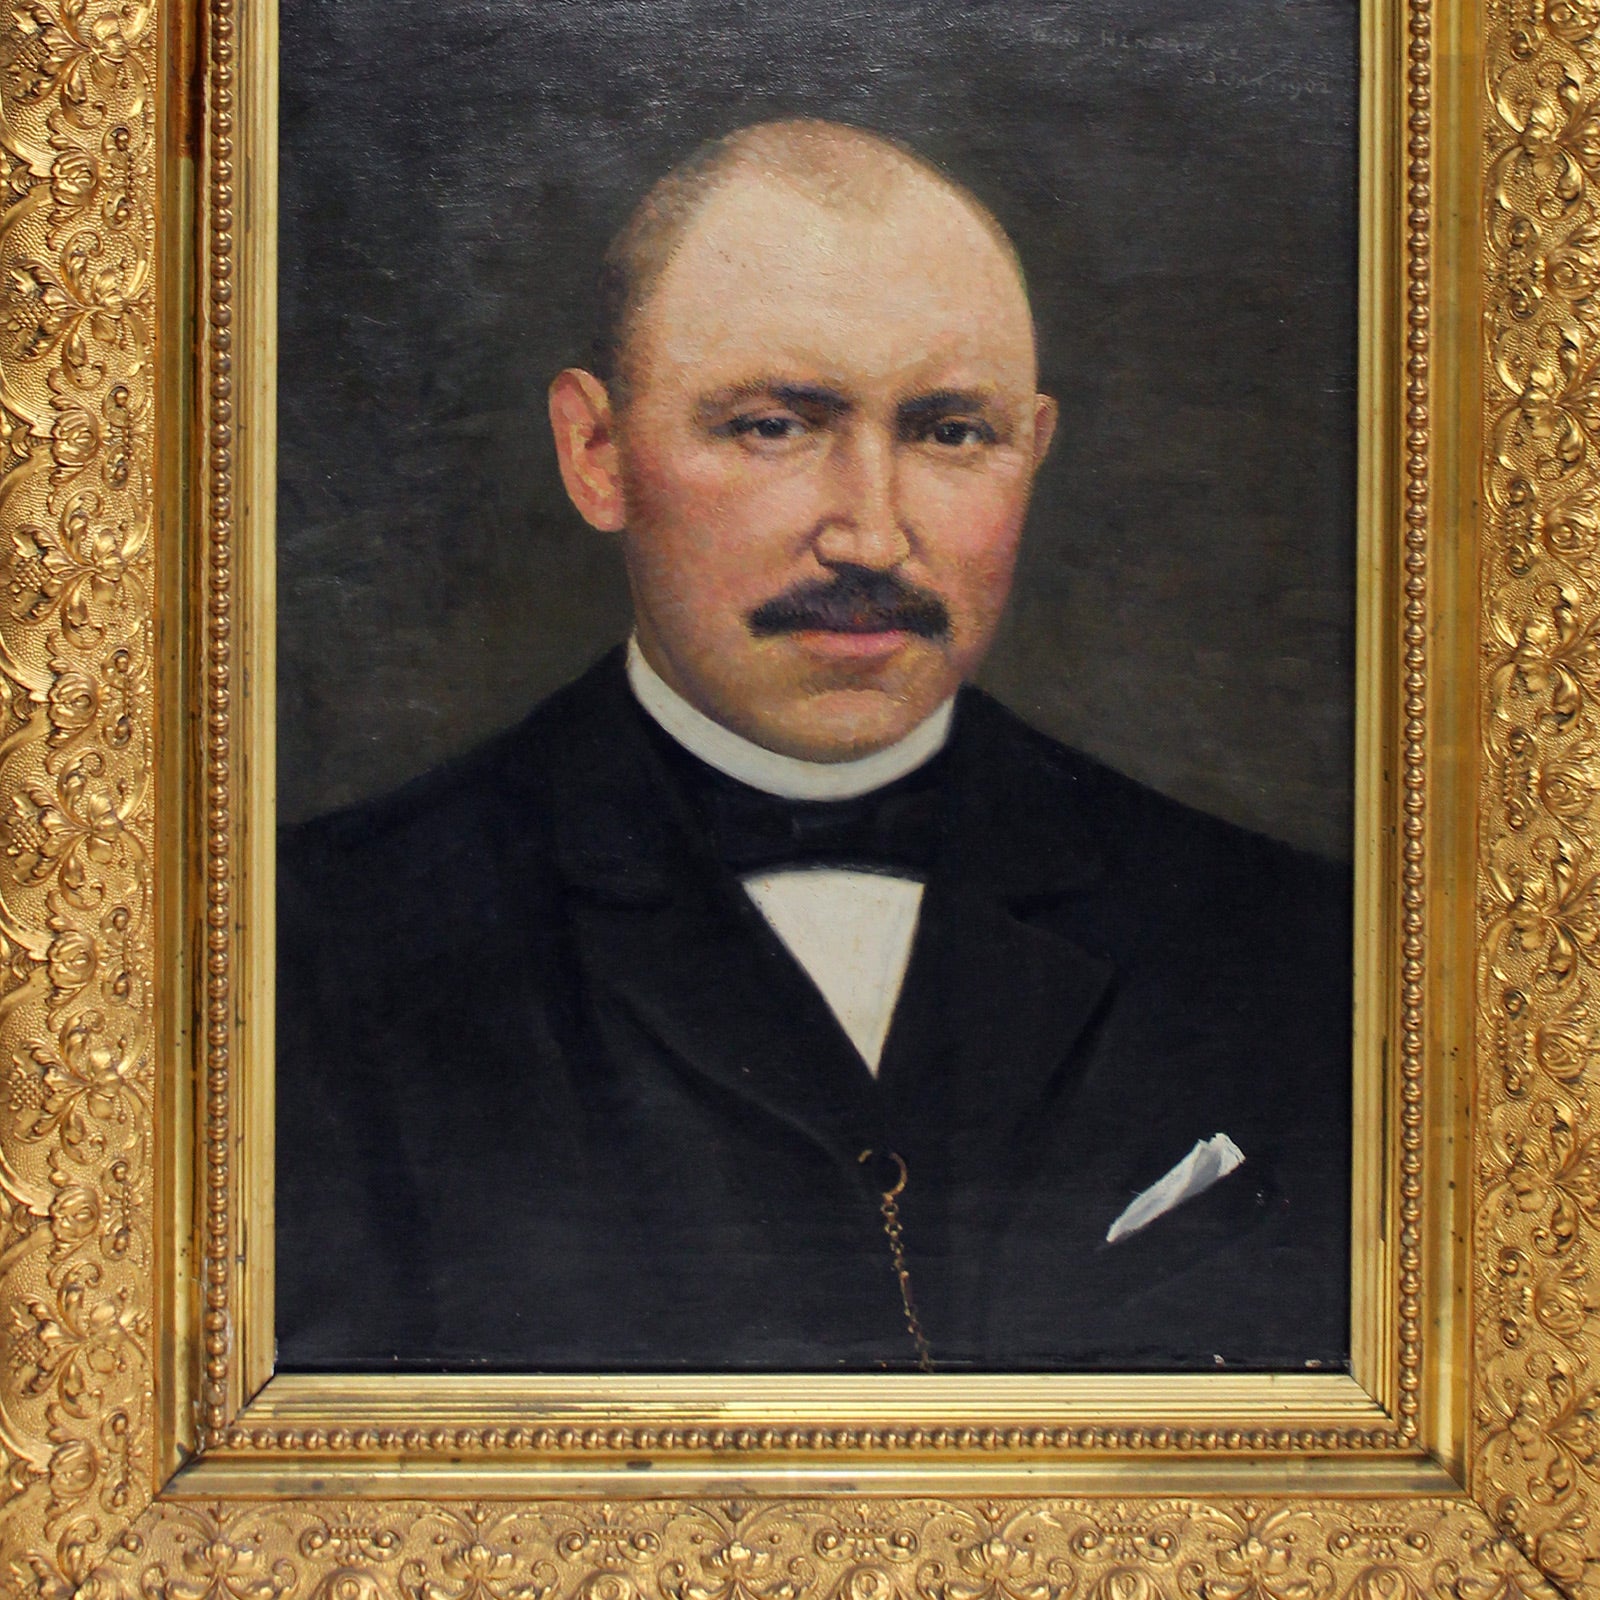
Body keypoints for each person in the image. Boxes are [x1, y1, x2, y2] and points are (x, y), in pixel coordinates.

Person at [276, 120, 1350, 1373]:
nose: (871, 535)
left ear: (1035, 450)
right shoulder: (311, 951)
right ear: (596, 453)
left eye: (951, 432)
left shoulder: (1291, 939)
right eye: (774, 426)